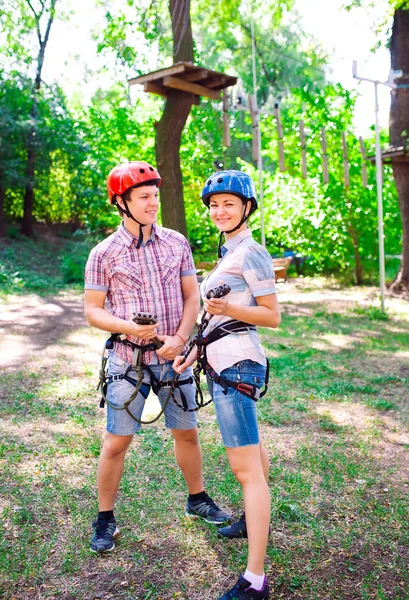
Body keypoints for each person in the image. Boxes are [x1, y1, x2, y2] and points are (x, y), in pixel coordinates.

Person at [84, 160, 231, 553]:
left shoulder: (176, 242)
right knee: (117, 442)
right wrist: (131, 328)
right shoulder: (103, 253)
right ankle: (104, 519)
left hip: (174, 358)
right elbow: (93, 310)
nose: (153, 203)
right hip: (126, 359)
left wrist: (182, 338)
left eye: (156, 196)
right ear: (122, 202)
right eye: (144, 197)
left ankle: (197, 499)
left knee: (187, 433)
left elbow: (190, 296)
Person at [173, 170, 280, 600]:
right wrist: (194, 348)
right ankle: (249, 520)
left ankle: (255, 580)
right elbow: (220, 317)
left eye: (229, 204)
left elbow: (272, 315)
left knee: (245, 470)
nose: (220, 211)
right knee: (253, 456)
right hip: (223, 362)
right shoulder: (228, 250)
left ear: (247, 208)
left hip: (237, 367)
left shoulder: (251, 252)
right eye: (214, 205)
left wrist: (230, 305)